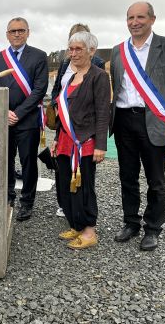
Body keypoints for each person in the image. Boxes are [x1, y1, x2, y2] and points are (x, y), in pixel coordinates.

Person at [110, 1, 165, 251]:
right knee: (127, 176)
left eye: (140, 17)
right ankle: (131, 222)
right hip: (124, 120)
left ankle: (153, 227)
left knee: (155, 180)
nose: (135, 22)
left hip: (154, 121)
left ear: (152, 19)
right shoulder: (117, 50)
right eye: (130, 18)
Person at [51, 31, 110, 249]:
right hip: (66, 140)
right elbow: (62, 112)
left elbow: (103, 112)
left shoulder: (99, 76)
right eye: (71, 49)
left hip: (85, 142)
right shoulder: (70, 77)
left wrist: (101, 145)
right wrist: (57, 138)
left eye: (78, 49)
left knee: (84, 186)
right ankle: (76, 224)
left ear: (91, 51)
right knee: (66, 185)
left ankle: (89, 231)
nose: (73, 54)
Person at [0, 17, 49, 221]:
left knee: (28, 162)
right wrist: (5, 111)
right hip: (4, 119)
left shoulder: (39, 56)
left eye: (21, 30)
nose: (17, 34)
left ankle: (27, 201)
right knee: (5, 160)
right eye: (13, 31)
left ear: (28, 32)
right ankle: (8, 196)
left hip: (28, 119)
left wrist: (19, 113)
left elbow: (40, 89)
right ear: (7, 34)